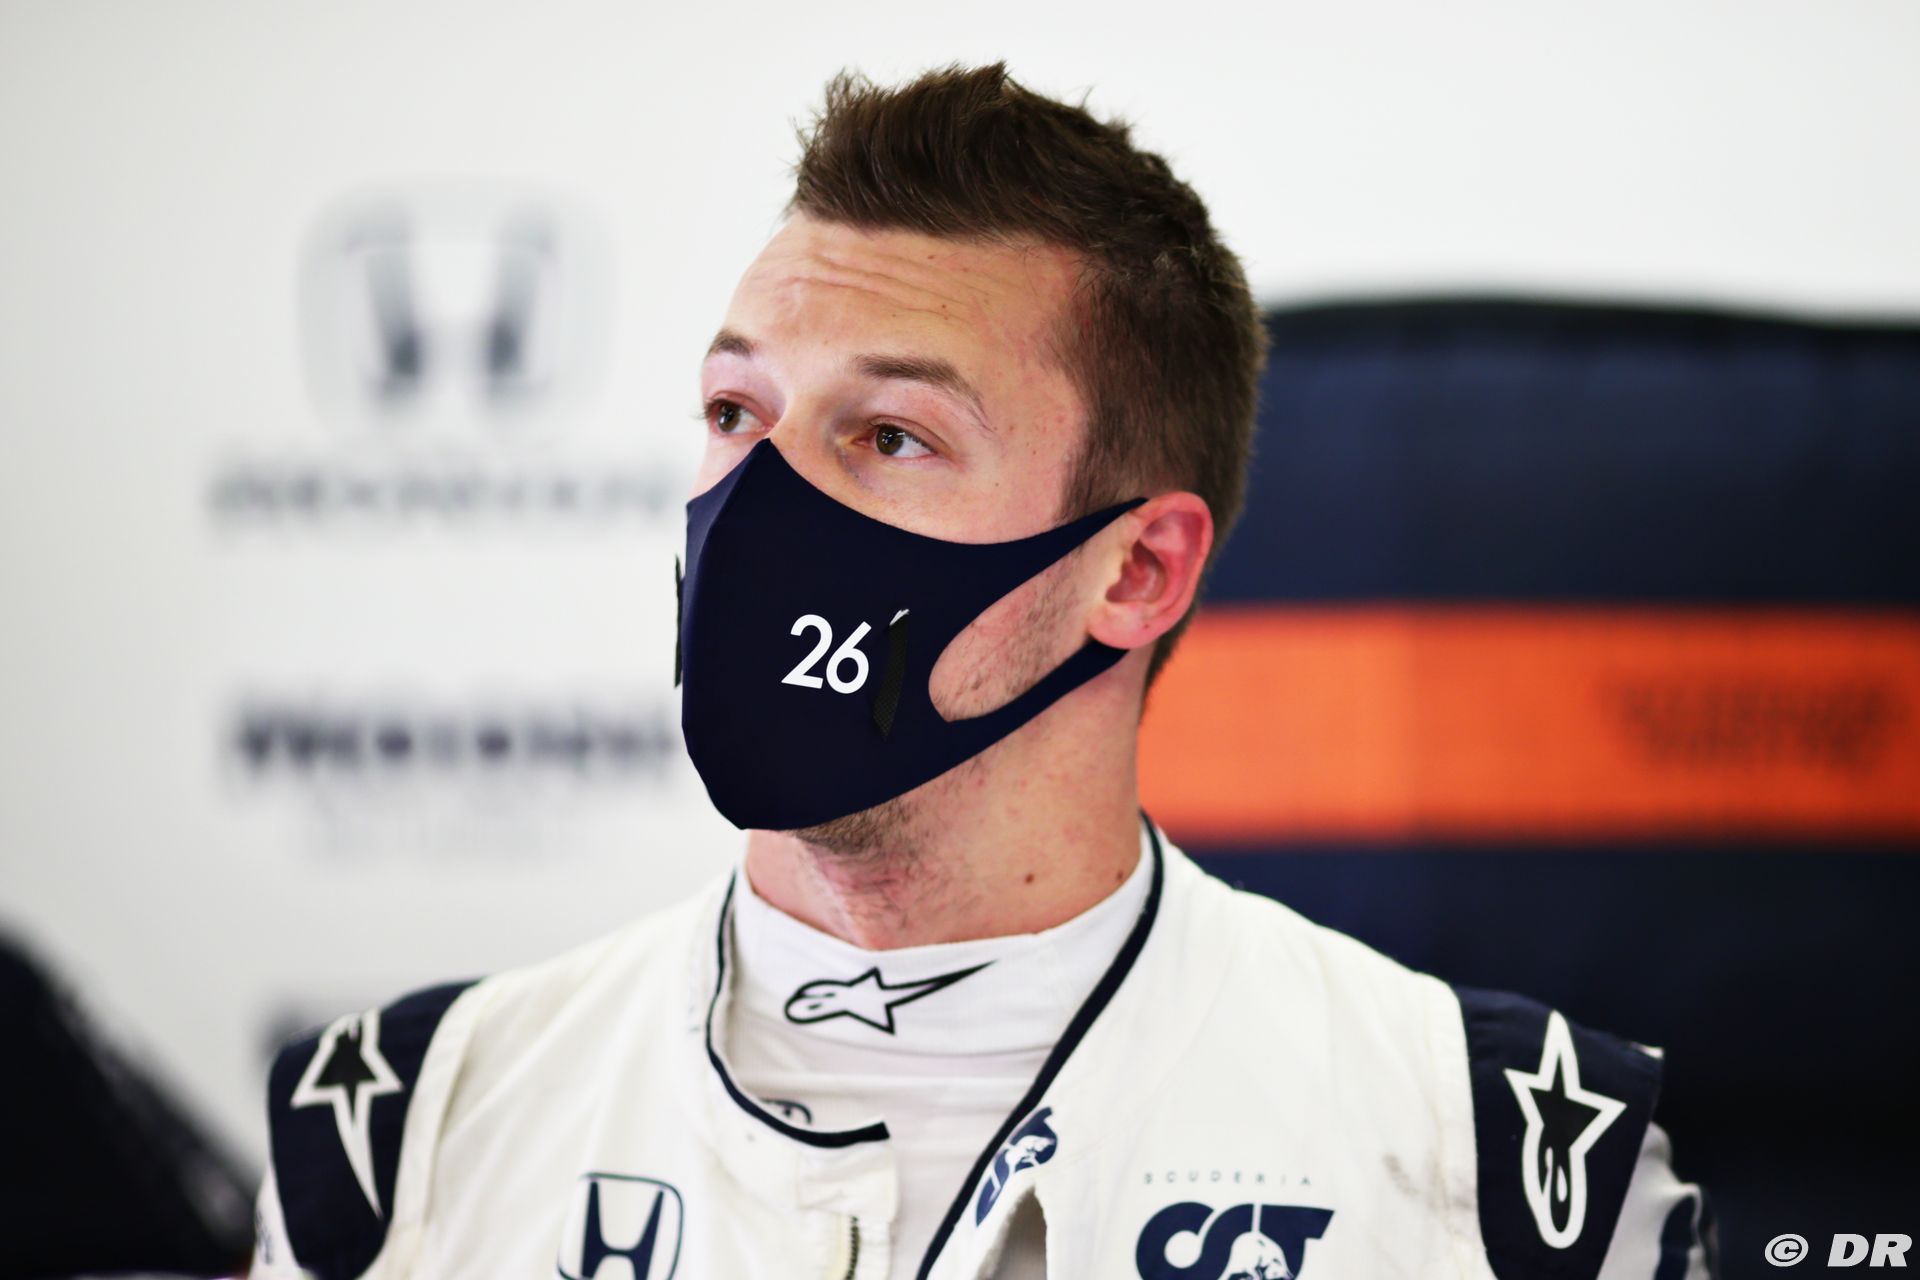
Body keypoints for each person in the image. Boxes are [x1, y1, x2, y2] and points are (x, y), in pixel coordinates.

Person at [251, 62, 1714, 1280]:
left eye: (891, 436)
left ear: (1135, 572)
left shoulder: (1505, 1174)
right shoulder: (407, 1137)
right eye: (736, 411)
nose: (759, 506)